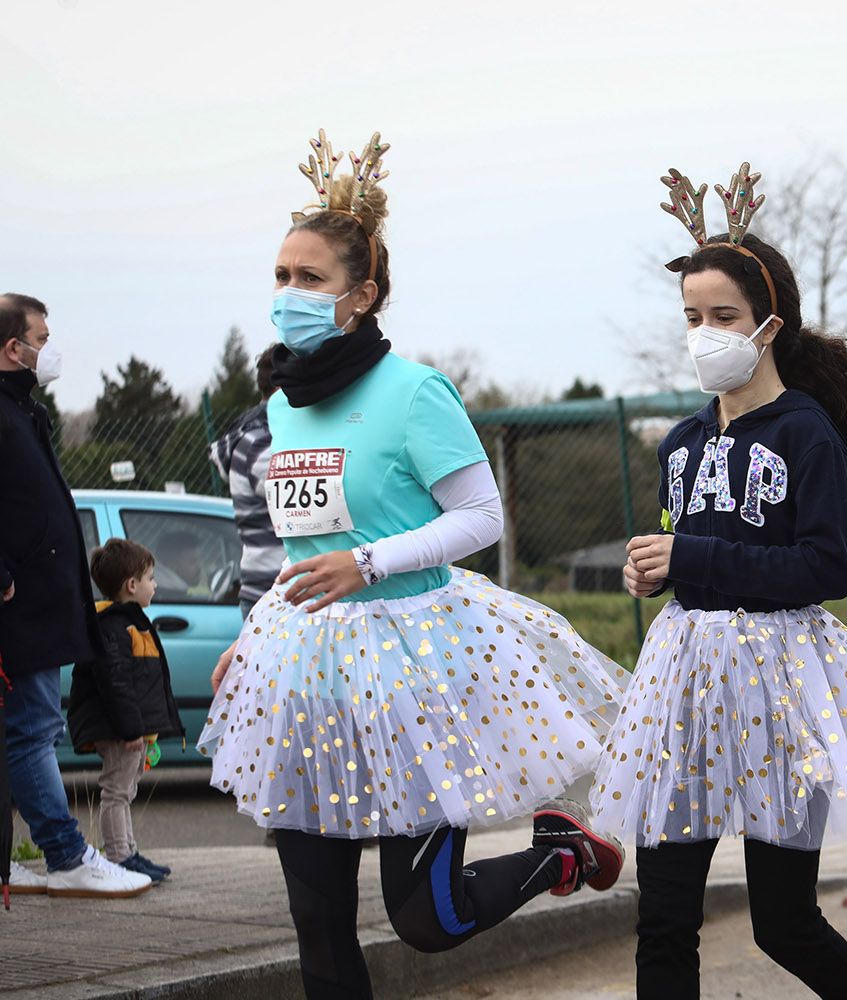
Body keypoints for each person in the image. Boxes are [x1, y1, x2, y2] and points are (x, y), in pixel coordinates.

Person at [198, 130, 629, 999]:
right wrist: (251, 638)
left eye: (309, 278)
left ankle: (560, 854)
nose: (288, 295)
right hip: (305, 668)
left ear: (361, 295)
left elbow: (480, 517)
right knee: (317, 926)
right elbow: (293, 549)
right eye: (281, 276)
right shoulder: (281, 410)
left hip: (414, 668)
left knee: (426, 922)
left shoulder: (414, 391)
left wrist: (369, 561)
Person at [592, 163, 847, 1000]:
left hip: (780, 687)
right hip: (682, 684)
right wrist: (657, 569)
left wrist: (693, 560)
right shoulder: (679, 440)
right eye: (692, 316)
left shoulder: (807, 434)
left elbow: (823, 569)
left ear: (768, 324)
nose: (703, 331)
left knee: (783, 920)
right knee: (665, 913)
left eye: (723, 316)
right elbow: (692, 550)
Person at [0, 294, 153, 899]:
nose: (49, 346)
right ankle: (65, 855)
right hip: (20, 611)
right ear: (14, 348)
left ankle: (17, 861)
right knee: (33, 730)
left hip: (40, 606)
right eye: (41, 336)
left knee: (28, 729)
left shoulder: (23, 412)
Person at [67, 538, 184, 883]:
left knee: (126, 790)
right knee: (117, 791)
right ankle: (119, 857)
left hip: (130, 728)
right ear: (132, 586)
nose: (155, 584)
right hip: (119, 729)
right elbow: (116, 683)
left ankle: (128, 851)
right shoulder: (114, 627)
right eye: (150, 577)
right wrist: (132, 729)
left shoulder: (131, 623)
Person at [210, 346, 285, 617]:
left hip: (273, 587)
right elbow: (306, 497)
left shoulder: (259, 433)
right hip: (274, 592)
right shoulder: (260, 442)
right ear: (282, 390)